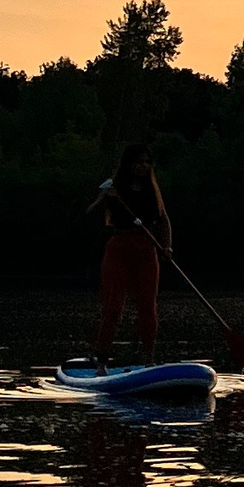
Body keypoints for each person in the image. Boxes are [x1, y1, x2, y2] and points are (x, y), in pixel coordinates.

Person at [88, 144, 171, 364]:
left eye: (147, 162)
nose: (143, 166)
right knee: (114, 306)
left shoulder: (151, 189)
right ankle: (101, 354)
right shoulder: (115, 187)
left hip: (146, 250)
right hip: (119, 249)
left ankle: (148, 355)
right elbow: (91, 212)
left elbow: (163, 220)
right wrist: (106, 197)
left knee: (147, 306)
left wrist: (167, 246)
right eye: (139, 162)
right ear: (129, 163)